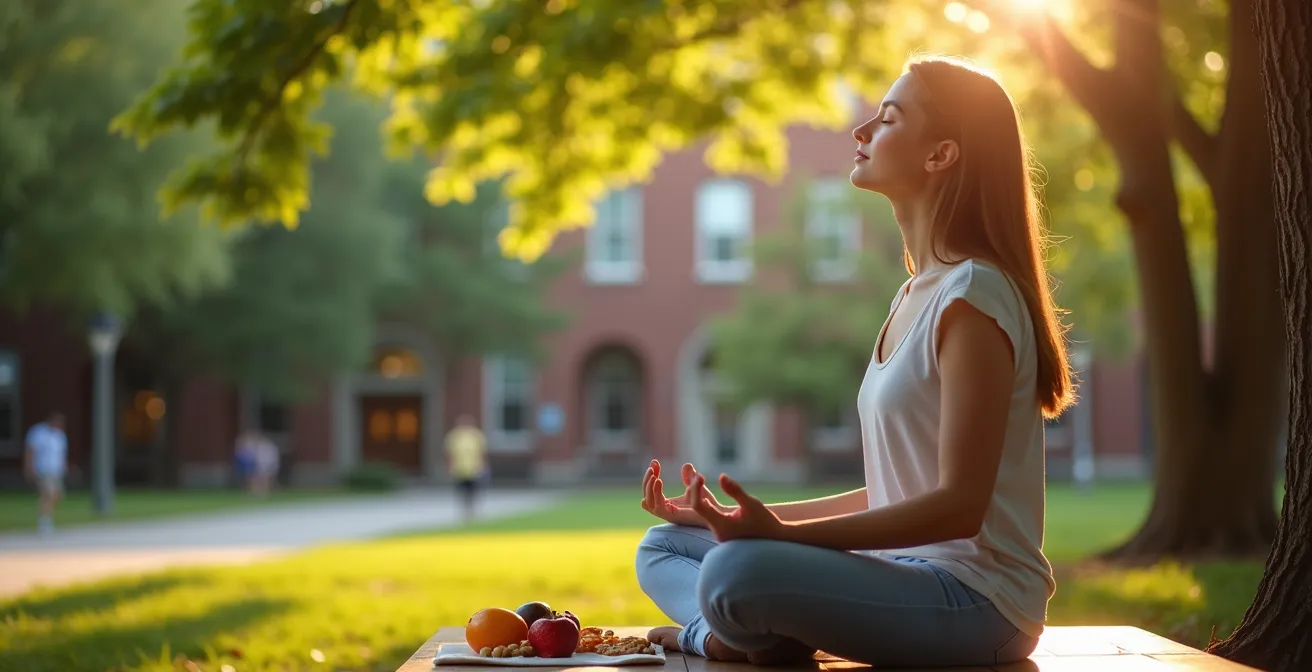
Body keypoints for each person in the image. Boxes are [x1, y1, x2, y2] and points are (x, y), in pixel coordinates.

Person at [634, 55, 1075, 669]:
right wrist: (737, 520)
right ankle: (756, 629)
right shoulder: (914, 292)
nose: (861, 130)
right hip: (902, 575)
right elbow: (895, 491)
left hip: (977, 603)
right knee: (666, 545)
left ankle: (716, 636)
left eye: (888, 119)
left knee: (736, 572)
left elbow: (959, 506)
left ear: (941, 154)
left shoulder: (973, 294)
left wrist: (780, 539)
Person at [24, 412, 68, 535]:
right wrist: (29, 467)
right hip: (43, 469)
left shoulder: (60, 435)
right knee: (48, 493)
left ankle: (48, 518)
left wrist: (64, 466)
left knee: (57, 495)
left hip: (56, 471)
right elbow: (30, 451)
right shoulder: (38, 432)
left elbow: (61, 453)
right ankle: (44, 522)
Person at [444, 414, 488, 523]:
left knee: (474, 491)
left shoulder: (476, 435)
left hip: (474, 468)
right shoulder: (454, 436)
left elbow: (482, 452)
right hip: (460, 469)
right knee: (462, 491)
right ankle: (464, 512)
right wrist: (450, 466)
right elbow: (449, 453)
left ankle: (472, 511)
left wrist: (483, 466)